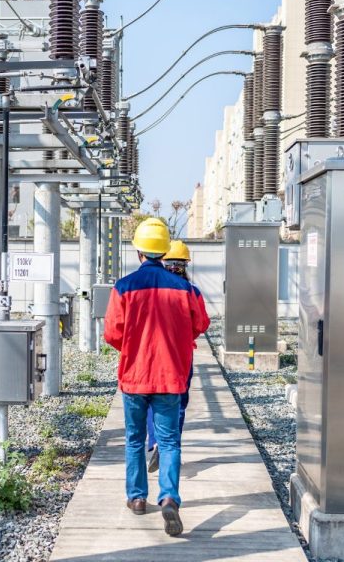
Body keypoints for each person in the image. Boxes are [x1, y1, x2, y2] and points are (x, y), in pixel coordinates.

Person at [104, 219, 210, 537]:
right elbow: (200, 323)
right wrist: (177, 340)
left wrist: (133, 346)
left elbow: (112, 333)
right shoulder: (184, 289)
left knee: (135, 440)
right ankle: (169, 498)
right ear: (164, 251)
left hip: (134, 376)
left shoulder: (123, 287)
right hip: (169, 376)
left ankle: (137, 498)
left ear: (138, 251)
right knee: (169, 441)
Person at [146, 240, 196, 474]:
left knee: (149, 399)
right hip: (181, 356)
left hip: (153, 353)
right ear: (186, 265)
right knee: (178, 403)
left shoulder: (152, 289)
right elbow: (201, 323)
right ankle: (170, 446)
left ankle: (155, 441)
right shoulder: (190, 290)